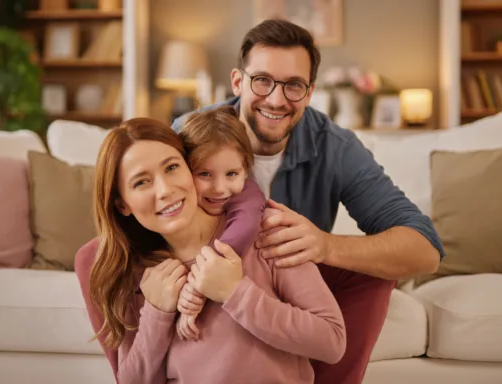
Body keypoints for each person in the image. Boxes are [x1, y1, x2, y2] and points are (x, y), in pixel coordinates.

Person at [172, 19, 445, 384]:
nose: (276, 99)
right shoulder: (189, 133)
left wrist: (325, 245)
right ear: (238, 81)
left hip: (292, 280)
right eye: (262, 80)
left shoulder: (336, 147)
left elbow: (425, 250)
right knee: (94, 255)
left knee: (375, 271)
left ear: (310, 91)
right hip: (199, 271)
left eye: (293, 86)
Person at [74, 117, 347, 384]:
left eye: (171, 168)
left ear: (192, 167)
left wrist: (235, 293)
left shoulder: (266, 234)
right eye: (141, 182)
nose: (166, 190)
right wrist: (157, 313)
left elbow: (332, 341)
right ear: (123, 205)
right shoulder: (136, 275)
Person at [175, 105, 267, 340]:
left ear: (246, 170)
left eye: (231, 174)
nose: (219, 188)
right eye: (204, 174)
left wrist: (196, 286)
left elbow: (242, 229)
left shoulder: (248, 195)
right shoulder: (176, 201)